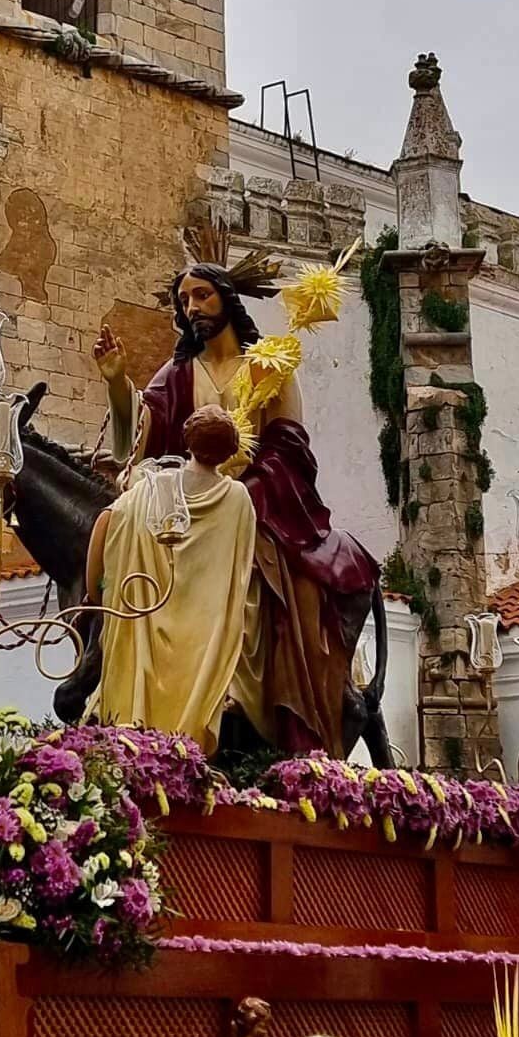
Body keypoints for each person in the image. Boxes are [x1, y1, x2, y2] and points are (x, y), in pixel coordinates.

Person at [93, 263, 378, 756]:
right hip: (184, 500)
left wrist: (244, 483)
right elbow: (141, 437)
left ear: (226, 298)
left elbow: (290, 447)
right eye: (185, 300)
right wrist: (118, 384)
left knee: (246, 550)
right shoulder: (177, 373)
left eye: (202, 295)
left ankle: (236, 689)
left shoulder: (270, 367)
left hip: (254, 499)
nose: (193, 308)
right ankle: (115, 670)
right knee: (122, 521)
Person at [85, 405, 259, 753]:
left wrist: (98, 590)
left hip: (144, 618)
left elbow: (107, 523)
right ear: (230, 451)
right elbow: (241, 571)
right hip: (205, 637)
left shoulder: (152, 488)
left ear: (188, 442)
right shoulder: (239, 498)